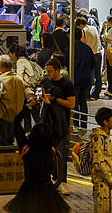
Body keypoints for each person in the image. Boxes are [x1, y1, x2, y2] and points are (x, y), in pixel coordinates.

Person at [5, 107, 70, 213]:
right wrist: (50, 105)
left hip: (28, 190)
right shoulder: (51, 148)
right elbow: (57, 124)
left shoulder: (26, 147)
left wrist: (28, 106)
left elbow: (16, 122)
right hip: (48, 191)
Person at [41, 56, 76, 196]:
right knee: (46, 154)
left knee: (60, 153)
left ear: (58, 70)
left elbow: (71, 104)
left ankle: (62, 181)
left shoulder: (67, 84)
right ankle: (50, 180)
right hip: (46, 122)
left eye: (50, 71)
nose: (48, 74)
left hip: (61, 124)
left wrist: (55, 99)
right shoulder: (45, 82)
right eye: (46, 71)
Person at [90, 107, 112, 213]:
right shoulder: (98, 138)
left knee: (105, 208)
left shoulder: (105, 137)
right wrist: (109, 179)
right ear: (105, 122)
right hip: (101, 180)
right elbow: (98, 162)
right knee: (101, 208)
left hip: (106, 179)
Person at [0, 55, 26, 145]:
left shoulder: (1, 80)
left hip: (3, 115)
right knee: (12, 142)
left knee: (2, 143)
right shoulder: (20, 79)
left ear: (0, 67)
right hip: (17, 115)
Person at [72, 27, 95, 130]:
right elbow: (93, 63)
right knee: (83, 101)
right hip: (85, 79)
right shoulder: (87, 48)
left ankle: (76, 123)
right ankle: (84, 124)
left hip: (74, 79)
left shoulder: (70, 49)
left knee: (75, 102)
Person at [77, 16, 104, 99]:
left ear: (80, 25)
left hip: (89, 54)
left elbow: (83, 43)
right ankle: (97, 92)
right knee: (98, 74)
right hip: (98, 53)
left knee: (89, 74)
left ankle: (87, 93)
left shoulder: (83, 31)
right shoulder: (94, 28)